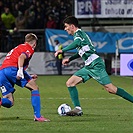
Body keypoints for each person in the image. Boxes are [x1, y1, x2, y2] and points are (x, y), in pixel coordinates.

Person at [55, 16, 133, 116]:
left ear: (72, 26)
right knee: (70, 83)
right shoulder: (80, 35)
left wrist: (63, 50)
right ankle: (78, 108)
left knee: (111, 89)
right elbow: (81, 52)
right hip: (88, 66)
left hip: (96, 65)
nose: (65, 29)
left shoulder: (79, 34)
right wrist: (70, 59)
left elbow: (77, 43)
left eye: (66, 27)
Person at [0, 33, 50, 122]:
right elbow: (21, 57)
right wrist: (19, 71)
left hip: (2, 72)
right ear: (34, 43)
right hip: (13, 70)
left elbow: (12, 61)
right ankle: (38, 116)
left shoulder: (19, 47)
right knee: (34, 88)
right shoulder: (29, 48)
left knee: (9, 101)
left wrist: (27, 75)